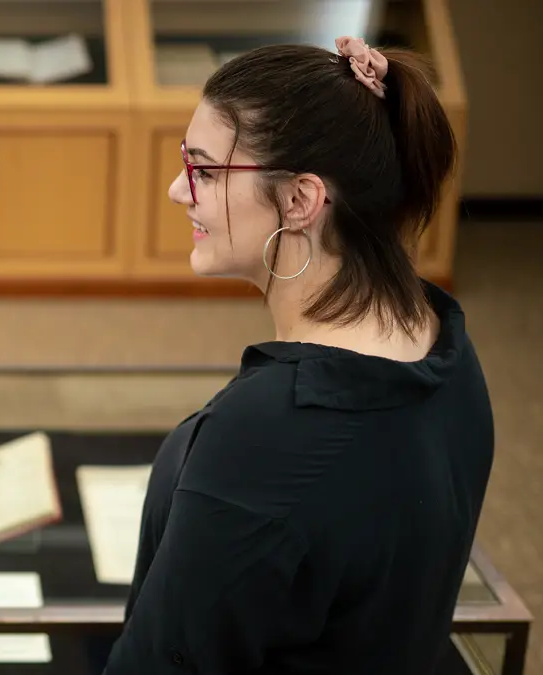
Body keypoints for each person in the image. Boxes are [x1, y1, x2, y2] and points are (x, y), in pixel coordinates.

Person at [101, 38, 493, 674]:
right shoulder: (444, 336)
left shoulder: (264, 433)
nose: (179, 190)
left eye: (202, 168)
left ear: (301, 201)